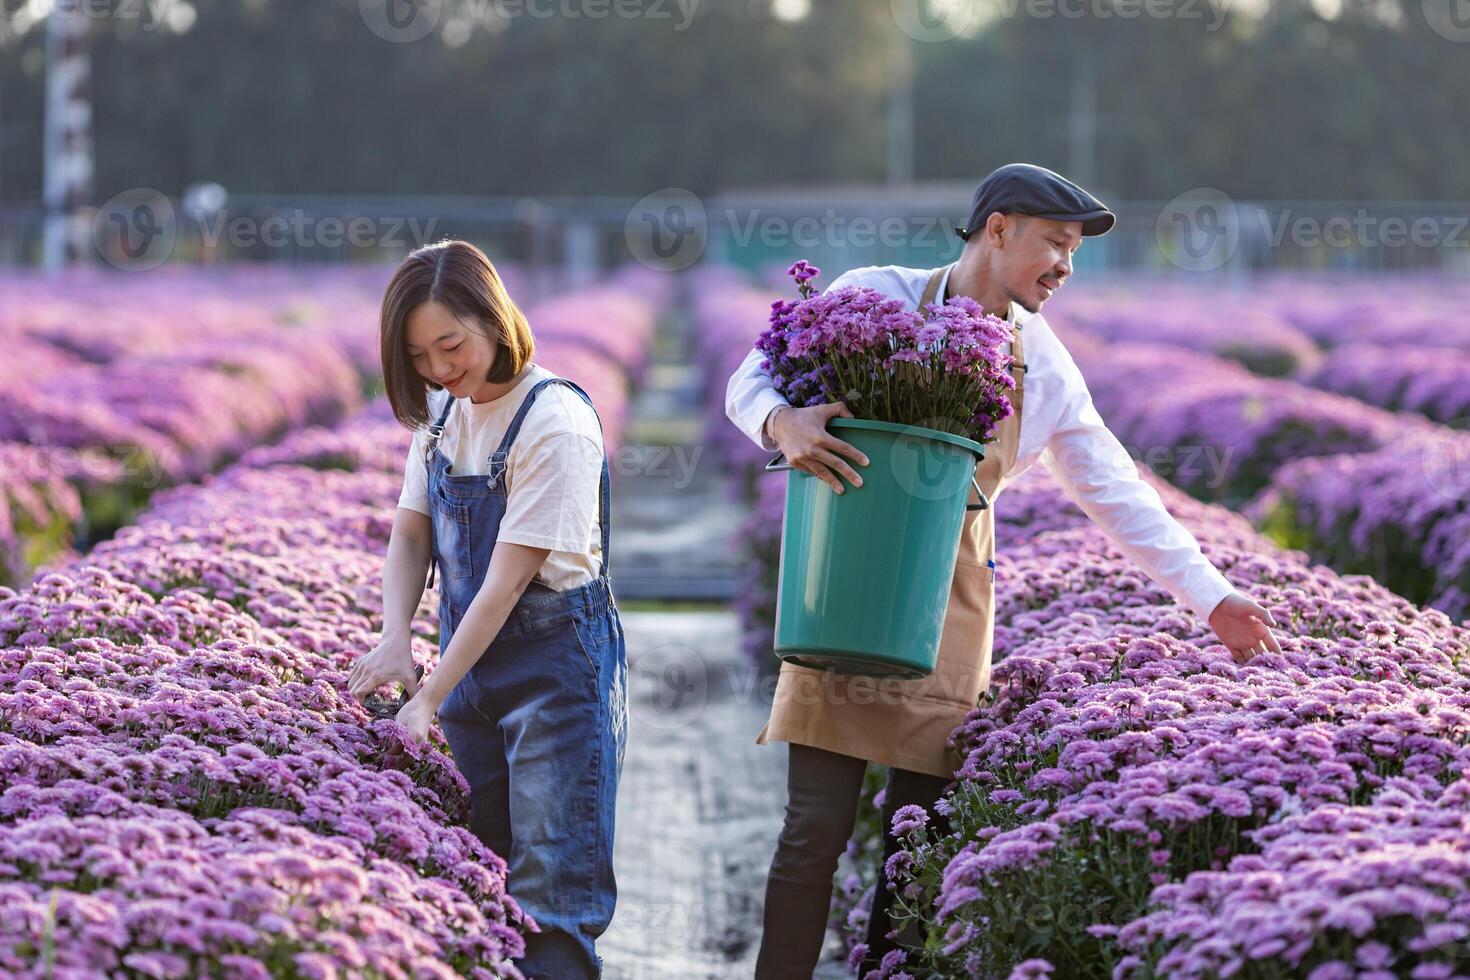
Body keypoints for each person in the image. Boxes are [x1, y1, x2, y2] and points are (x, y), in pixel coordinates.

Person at [725, 163, 1284, 978]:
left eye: (1074, 250)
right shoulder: (871, 293)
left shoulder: (1045, 365)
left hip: (945, 614)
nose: (1065, 265)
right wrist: (782, 421)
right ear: (997, 229)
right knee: (812, 830)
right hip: (842, 590)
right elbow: (754, 376)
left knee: (915, 848)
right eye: (1055, 243)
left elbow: (1114, 487)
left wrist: (1213, 598)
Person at [348, 239, 628, 979]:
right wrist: (394, 640)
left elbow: (505, 584)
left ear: (495, 320)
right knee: (484, 882)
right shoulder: (443, 414)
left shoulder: (552, 422)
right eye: (418, 355)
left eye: (451, 345)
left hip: (554, 679)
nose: (439, 369)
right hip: (471, 676)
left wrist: (430, 695)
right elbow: (410, 534)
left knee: (550, 901)